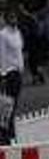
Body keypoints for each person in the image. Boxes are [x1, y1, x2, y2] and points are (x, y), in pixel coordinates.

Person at [0, 12, 25, 143]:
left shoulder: (17, 32)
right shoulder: (3, 35)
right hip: (9, 74)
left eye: (15, 17)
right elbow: (2, 56)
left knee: (14, 104)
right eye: (11, 17)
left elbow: (19, 52)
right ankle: (5, 135)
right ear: (6, 19)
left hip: (18, 72)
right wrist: (3, 75)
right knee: (8, 105)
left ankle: (10, 131)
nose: (14, 19)